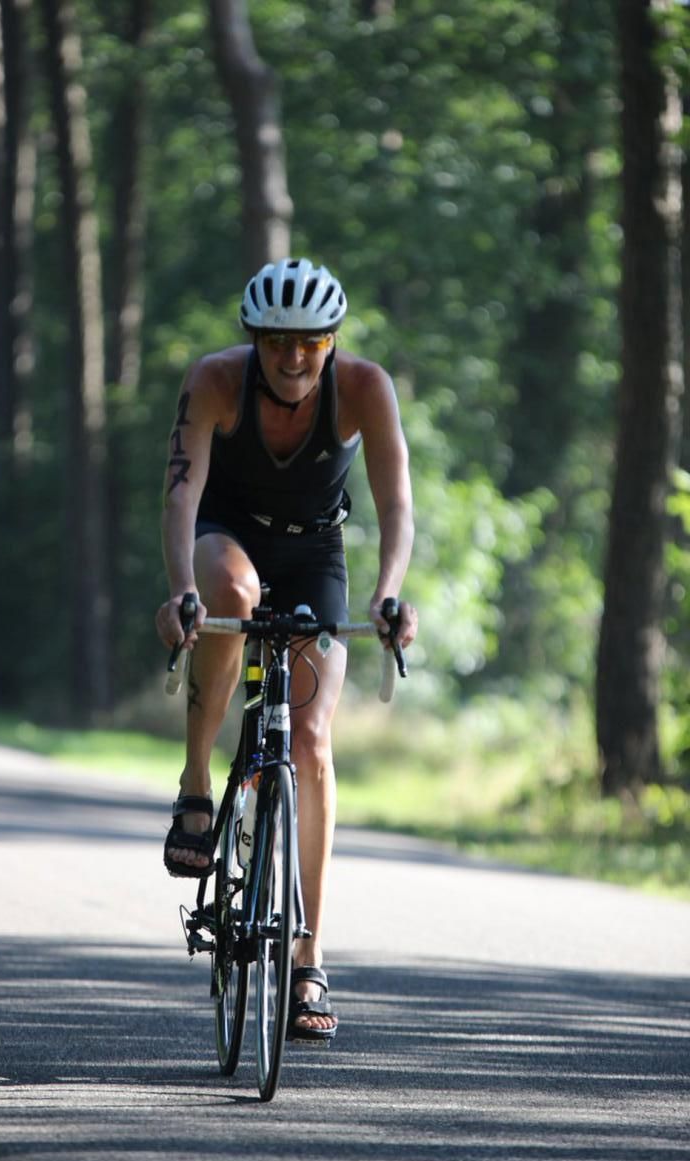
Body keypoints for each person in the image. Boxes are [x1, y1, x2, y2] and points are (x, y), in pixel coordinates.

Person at [155, 257, 417, 1042]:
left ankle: (307, 959)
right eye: (276, 343)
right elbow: (180, 492)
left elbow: (397, 499)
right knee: (229, 597)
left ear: (331, 340)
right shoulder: (215, 382)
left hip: (314, 556)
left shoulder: (365, 388)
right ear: (254, 341)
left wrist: (388, 595)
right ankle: (199, 783)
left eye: (309, 342)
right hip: (224, 542)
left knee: (310, 738)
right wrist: (179, 592)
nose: (293, 358)